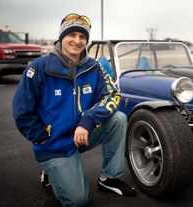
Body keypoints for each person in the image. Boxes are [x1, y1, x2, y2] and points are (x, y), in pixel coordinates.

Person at [13, 13, 136, 206]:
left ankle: (108, 179)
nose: (77, 41)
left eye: (83, 37)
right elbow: (22, 110)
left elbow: (113, 96)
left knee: (118, 118)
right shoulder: (39, 67)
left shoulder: (95, 67)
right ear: (62, 36)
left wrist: (87, 122)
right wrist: (43, 136)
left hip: (82, 133)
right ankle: (51, 170)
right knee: (78, 201)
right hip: (53, 143)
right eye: (72, 35)